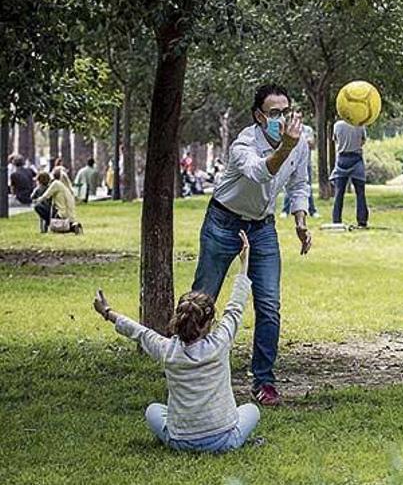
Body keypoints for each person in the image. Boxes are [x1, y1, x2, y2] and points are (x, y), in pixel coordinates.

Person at [192, 83, 312, 407]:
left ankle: (264, 381)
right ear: (259, 116)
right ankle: (192, 372)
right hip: (223, 221)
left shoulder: (300, 143)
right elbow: (261, 173)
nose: (282, 117)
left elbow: (300, 184)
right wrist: (286, 147)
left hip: (262, 228)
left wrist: (300, 221)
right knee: (203, 300)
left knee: (269, 305)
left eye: (286, 111)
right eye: (274, 113)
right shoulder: (244, 143)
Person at [93, 231, 261, 453]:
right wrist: (243, 264)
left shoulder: (167, 350)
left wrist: (107, 311)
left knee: (153, 409)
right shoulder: (220, 343)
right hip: (224, 440)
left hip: (179, 441)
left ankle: (186, 436)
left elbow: (138, 331)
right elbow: (235, 307)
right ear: (208, 323)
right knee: (251, 410)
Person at [330, 118, 369, 227]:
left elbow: (336, 140)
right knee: (360, 193)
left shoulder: (337, 125)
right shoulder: (360, 125)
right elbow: (363, 141)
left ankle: (336, 219)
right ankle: (362, 220)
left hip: (342, 158)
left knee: (339, 193)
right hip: (356, 158)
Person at [282, 123, 319, 219]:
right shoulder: (286, 128)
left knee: (305, 187)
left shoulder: (308, 129)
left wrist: (303, 141)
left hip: (306, 164)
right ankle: (285, 210)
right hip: (290, 163)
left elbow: (313, 145)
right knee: (289, 187)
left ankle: (311, 210)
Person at [34, 166, 82, 234]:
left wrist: (36, 200)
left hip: (60, 213)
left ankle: (51, 224)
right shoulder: (66, 186)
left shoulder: (56, 184)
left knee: (38, 206)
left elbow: (45, 196)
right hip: (69, 215)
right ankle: (72, 227)